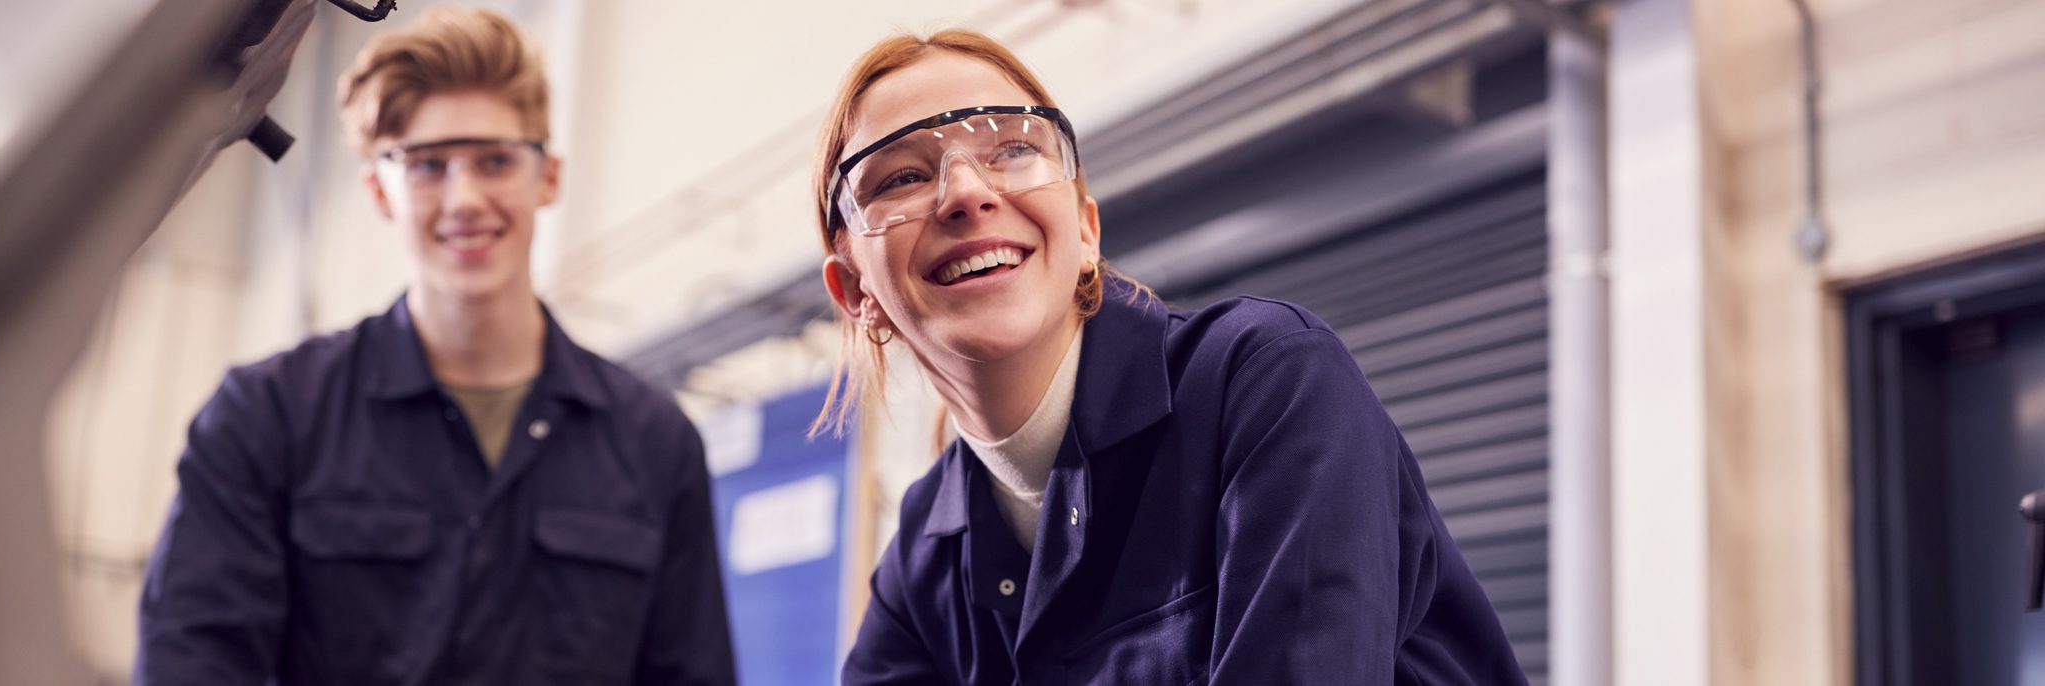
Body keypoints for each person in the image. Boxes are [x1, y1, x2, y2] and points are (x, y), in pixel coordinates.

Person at [814, 29, 1527, 684]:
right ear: (854, 290)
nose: (967, 192)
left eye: (1013, 149)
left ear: (1086, 231)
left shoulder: (1267, 382)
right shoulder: (924, 553)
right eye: (901, 177)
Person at [134, 7, 735, 684]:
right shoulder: (267, 419)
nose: (465, 198)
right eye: (427, 167)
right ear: (379, 191)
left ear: (549, 177)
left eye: (495, 160)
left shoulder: (655, 445)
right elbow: (193, 666)